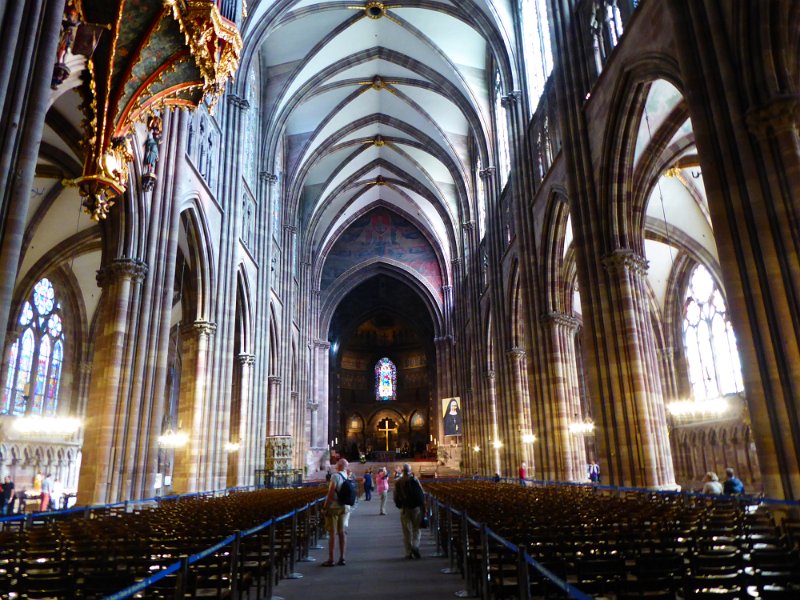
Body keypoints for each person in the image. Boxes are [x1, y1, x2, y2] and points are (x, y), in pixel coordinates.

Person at [321, 458, 350, 566]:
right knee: (342, 532)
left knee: (332, 533)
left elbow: (331, 493)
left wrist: (325, 506)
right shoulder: (346, 475)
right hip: (344, 507)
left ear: (338, 466)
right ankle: (342, 557)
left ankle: (331, 559)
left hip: (334, 508)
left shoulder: (335, 476)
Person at [394, 463, 425, 559]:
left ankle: (408, 552)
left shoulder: (398, 482)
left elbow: (395, 496)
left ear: (402, 471)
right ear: (410, 471)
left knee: (406, 531)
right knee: (416, 529)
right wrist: (423, 507)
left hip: (405, 508)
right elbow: (421, 493)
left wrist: (399, 505)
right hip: (416, 508)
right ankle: (415, 545)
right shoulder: (415, 480)